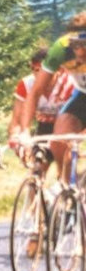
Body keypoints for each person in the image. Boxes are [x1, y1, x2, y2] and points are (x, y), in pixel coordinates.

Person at [21, 12, 86, 181]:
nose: (80, 51)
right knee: (59, 140)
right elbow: (35, 92)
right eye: (76, 44)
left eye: (85, 44)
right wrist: (25, 131)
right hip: (82, 96)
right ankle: (68, 187)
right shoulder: (61, 48)